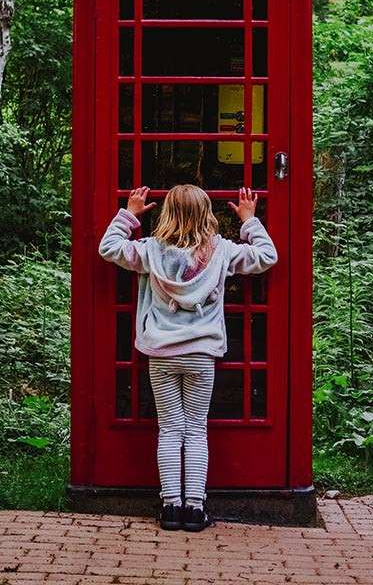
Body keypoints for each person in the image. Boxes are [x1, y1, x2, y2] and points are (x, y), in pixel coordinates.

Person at [98, 184, 278, 532]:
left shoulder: (150, 250)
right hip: (201, 353)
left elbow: (109, 247)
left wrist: (129, 213)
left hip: (162, 353)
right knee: (195, 430)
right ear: (206, 213)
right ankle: (194, 510)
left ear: (167, 214)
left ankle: (171, 508)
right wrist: (249, 220)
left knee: (170, 430)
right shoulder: (222, 251)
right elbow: (267, 256)